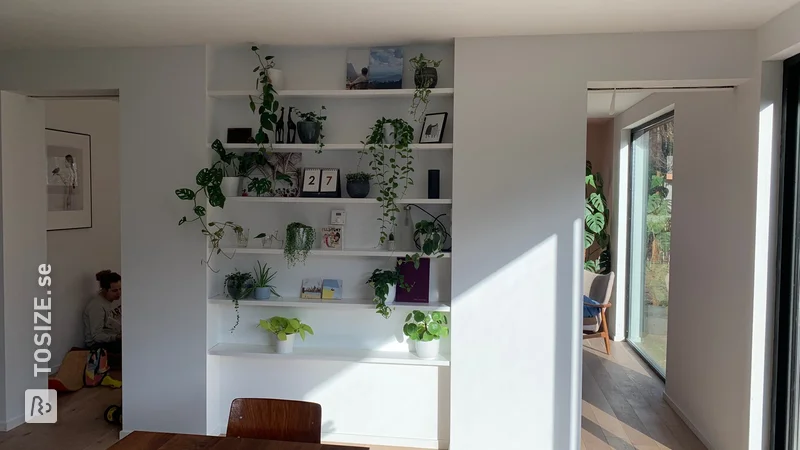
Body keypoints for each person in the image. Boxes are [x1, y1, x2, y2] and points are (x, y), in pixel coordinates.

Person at [83, 270, 122, 354]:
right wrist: (117, 337)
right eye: (114, 291)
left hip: (115, 335)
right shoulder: (96, 306)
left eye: (120, 289)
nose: (119, 293)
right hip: (99, 344)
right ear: (104, 290)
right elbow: (97, 336)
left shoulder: (116, 299)